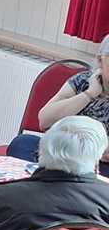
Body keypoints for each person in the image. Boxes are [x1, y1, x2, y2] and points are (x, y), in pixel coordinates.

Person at [7, 35, 109, 174]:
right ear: (100, 61)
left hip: (95, 164)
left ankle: (52, 183)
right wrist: (89, 94)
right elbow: (45, 121)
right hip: (59, 151)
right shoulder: (83, 81)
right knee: (22, 143)